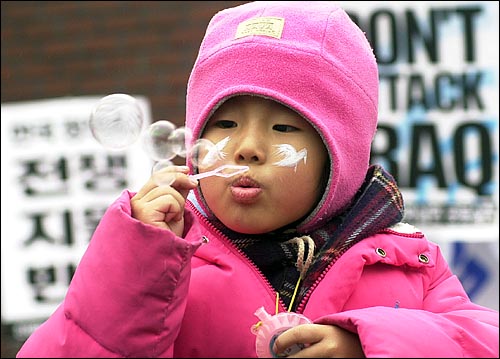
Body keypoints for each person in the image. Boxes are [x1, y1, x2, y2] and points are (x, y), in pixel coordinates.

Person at [17, 1, 499, 358]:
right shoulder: (163, 259)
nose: (246, 147)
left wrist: (369, 343)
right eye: (223, 125)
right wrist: (136, 264)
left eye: (284, 128)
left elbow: (480, 342)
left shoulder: (410, 263)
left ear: (342, 156)